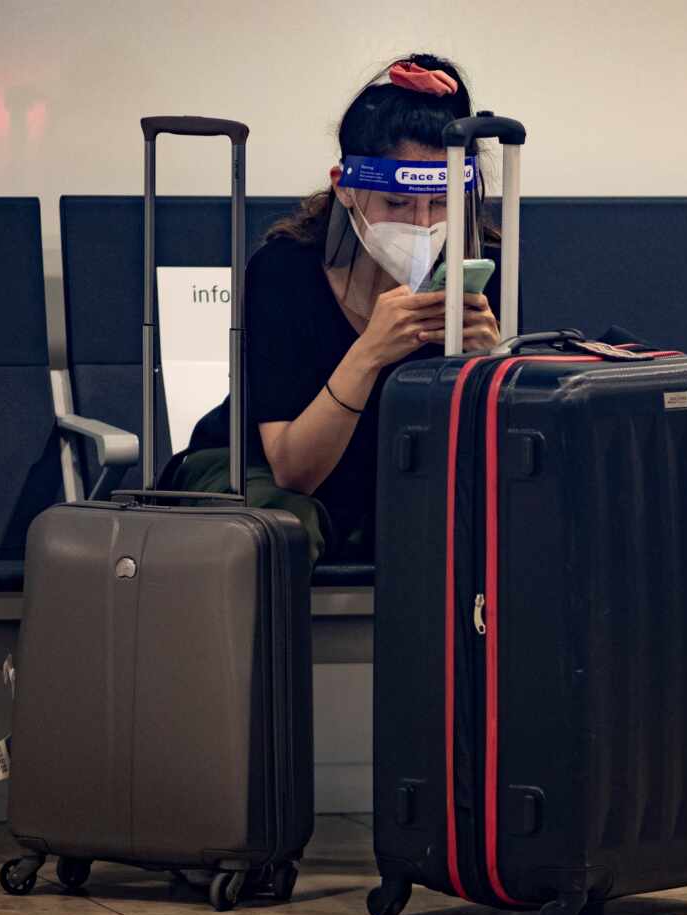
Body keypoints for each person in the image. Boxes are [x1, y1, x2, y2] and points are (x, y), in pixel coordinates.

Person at [169, 54, 500, 564]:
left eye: (440, 204)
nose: (422, 224)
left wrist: (492, 368)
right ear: (345, 185)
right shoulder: (285, 271)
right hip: (256, 474)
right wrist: (369, 354)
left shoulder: (478, 266)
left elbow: (494, 459)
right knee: (284, 527)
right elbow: (293, 471)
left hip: (393, 475)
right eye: (396, 204)